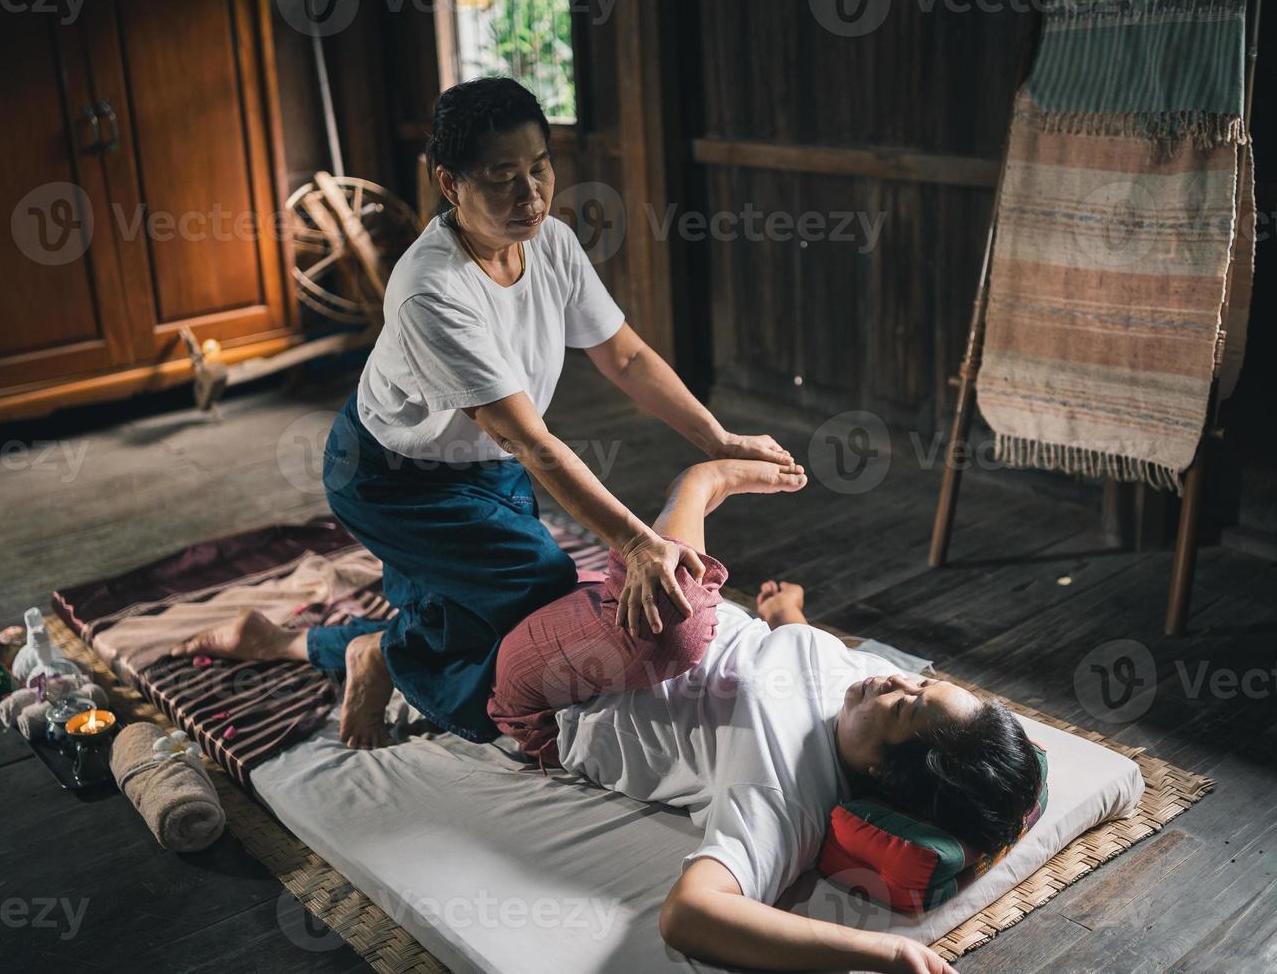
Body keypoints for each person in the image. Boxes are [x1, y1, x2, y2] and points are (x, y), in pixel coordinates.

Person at [171, 77, 794, 748]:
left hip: (485, 466)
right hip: (393, 478)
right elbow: (529, 439)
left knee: (464, 608)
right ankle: (380, 656)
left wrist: (719, 438)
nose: (529, 194)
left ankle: (327, 646)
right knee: (536, 589)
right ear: (450, 184)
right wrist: (637, 543)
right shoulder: (431, 290)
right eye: (502, 178)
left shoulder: (550, 242)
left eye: (539, 168)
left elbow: (627, 358)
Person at [487, 458, 1044, 974]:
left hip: (558, 693)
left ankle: (699, 482)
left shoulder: (784, 795)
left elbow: (690, 915)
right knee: (681, 619)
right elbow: (824, 653)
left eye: (907, 704)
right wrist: (788, 616)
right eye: (923, 682)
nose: (896, 680)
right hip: (611, 611)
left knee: (676, 633)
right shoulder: (866, 688)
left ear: (882, 769)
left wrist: (883, 950)